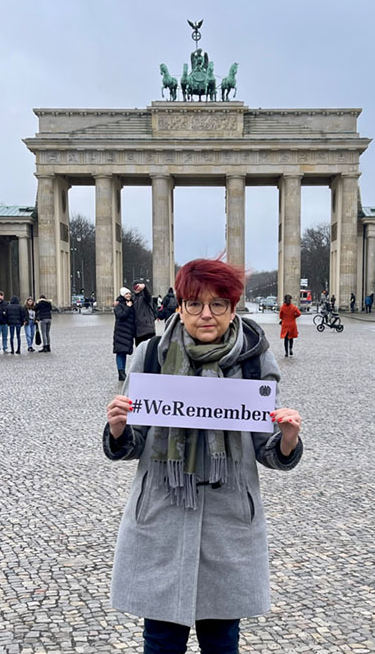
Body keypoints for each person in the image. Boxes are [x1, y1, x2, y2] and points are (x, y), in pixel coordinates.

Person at [103, 259, 303, 652]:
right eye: (194, 304)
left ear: (233, 306)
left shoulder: (253, 360)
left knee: (222, 641)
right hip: (162, 515)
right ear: (180, 307)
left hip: (226, 521)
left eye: (218, 304)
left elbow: (267, 451)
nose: (206, 314)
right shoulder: (151, 356)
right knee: (161, 640)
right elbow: (133, 443)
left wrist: (288, 439)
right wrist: (117, 429)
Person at [113, 287, 135, 381]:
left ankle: (123, 372)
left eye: (129, 293)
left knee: (124, 352)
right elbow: (121, 316)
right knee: (120, 353)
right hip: (121, 332)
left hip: (128, 332)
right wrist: (128, 307)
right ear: (122, 295)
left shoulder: (131, 303)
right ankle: (121, 372)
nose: (128, 295)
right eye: (126, 294)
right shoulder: (119, 305)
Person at [132, 280, 156, 346]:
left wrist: (145, 287)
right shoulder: (133, 300)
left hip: (147, 330)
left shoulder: (145, 298)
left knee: (149, 351)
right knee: (140, 352)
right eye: (135, 287)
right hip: (138, 332)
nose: (136, 288)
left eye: (138, 286)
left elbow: (148, 295)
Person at [279, 293, 301, 357]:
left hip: (285, 324)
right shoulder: (293, 307)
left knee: (285, 338)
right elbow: (299, 313)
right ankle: (291, 349)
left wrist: (284, 318)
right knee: (291, 337)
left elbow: (280, 316)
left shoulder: (283, 308)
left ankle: (286, 352)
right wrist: (294, 316)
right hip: (292, 324)